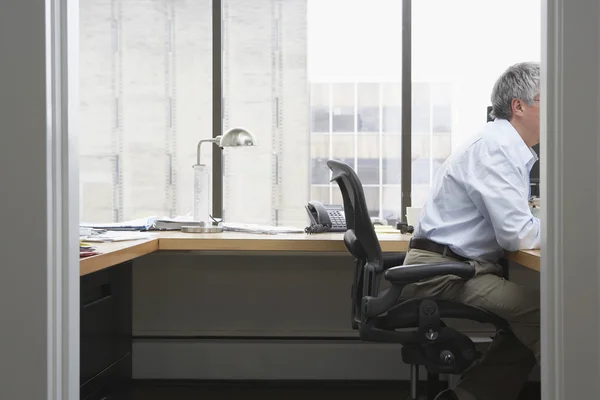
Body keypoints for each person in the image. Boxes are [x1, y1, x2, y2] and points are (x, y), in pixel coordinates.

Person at [403, 62, 541, 400]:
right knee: (549, 315)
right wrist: (571, 231)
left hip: (455, 266)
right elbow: (517, 236)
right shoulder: (497, 147)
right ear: (519, 106)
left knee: (535, 318)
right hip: (443, 272)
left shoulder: (501, 145)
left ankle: (465, 396)